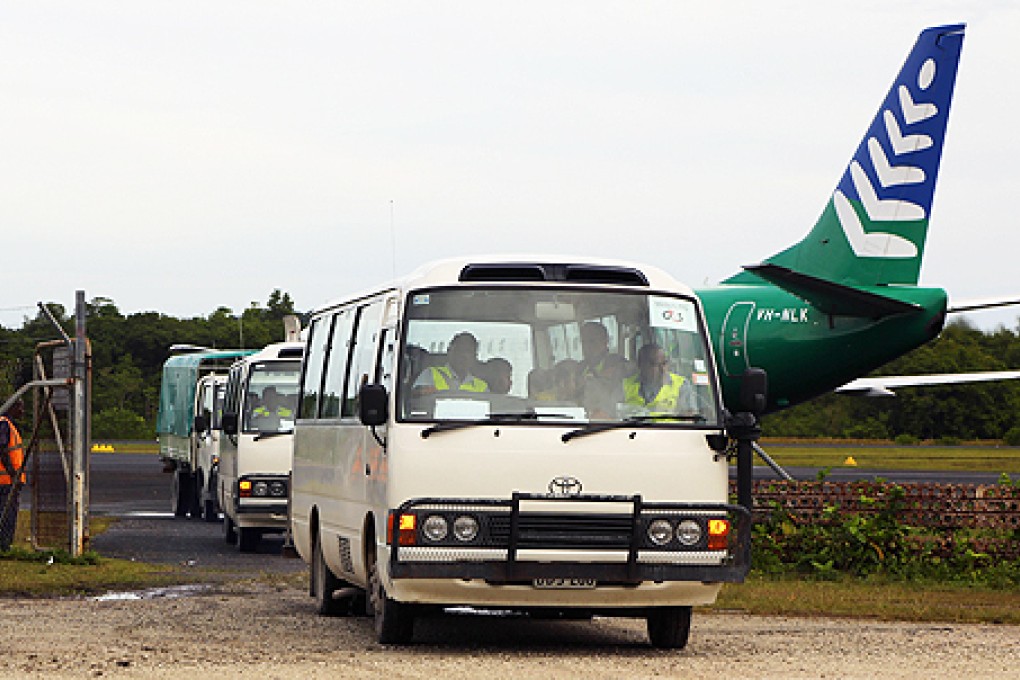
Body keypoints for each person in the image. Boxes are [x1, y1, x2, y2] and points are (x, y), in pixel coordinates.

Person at [623, 344, 695, 414]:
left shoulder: (681, 384)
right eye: (656, 364)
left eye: (664, 363)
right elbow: (617, 413)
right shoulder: (625, 385)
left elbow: (689, 416)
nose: (662, 369)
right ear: (641, 365)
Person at [413, 332, 488, 395]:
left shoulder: (482, 387)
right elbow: (416, 398)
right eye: (460, 350)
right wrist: (423, 391)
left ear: (475, 357)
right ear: (450, 352)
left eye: (469, 351)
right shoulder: (430, 373)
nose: (464, 355)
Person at [0, 398, 25, 551]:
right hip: (5, 480)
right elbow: (2, 448)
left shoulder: (8, 424)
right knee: (7, 514)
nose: (22, 411)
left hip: (7, 479)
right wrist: (12, 473)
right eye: (20, 407)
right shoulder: (4, 424)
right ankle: (4, 546)